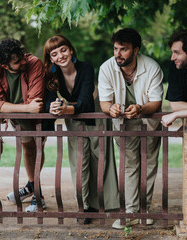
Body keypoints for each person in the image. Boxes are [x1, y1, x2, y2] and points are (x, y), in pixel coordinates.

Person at [43, 35, 119, 224]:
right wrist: (51, 107)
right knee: (79, 163)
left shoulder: (85, 68)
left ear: (71, 50)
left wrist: (66, 109)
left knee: (100, 160)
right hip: (73, 120)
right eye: (55, 53)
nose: (60, 55)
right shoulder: (52, 76)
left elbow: (85, 100)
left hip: (95, 116)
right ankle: (83, 207)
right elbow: (48, 100)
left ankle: (102, 204)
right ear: (51, 59)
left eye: (63, 50)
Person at [98, 28, 164, 229]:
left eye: (123, 49)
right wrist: (112, 108)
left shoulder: (152, 67)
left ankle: (144, 211)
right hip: (123, 124)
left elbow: (156, 102)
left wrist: (140, 108)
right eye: (116, 49)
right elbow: (104, 103)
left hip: (148, 122)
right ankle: (130, 212)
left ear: (136, 50)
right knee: (129, 167)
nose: (117, 54)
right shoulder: (106, 68)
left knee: (149, 166)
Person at [0, 38, 46, 212]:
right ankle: (31, 187)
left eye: (22, 57)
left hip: (39, 117)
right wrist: (26, 107)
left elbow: (36, 101)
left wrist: (11, 108)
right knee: (28, 149)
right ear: (5, 66)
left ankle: (37, 194)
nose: (22, 62)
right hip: (20, 116)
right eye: (17, 61)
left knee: (36, 149)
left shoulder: (33, 63)